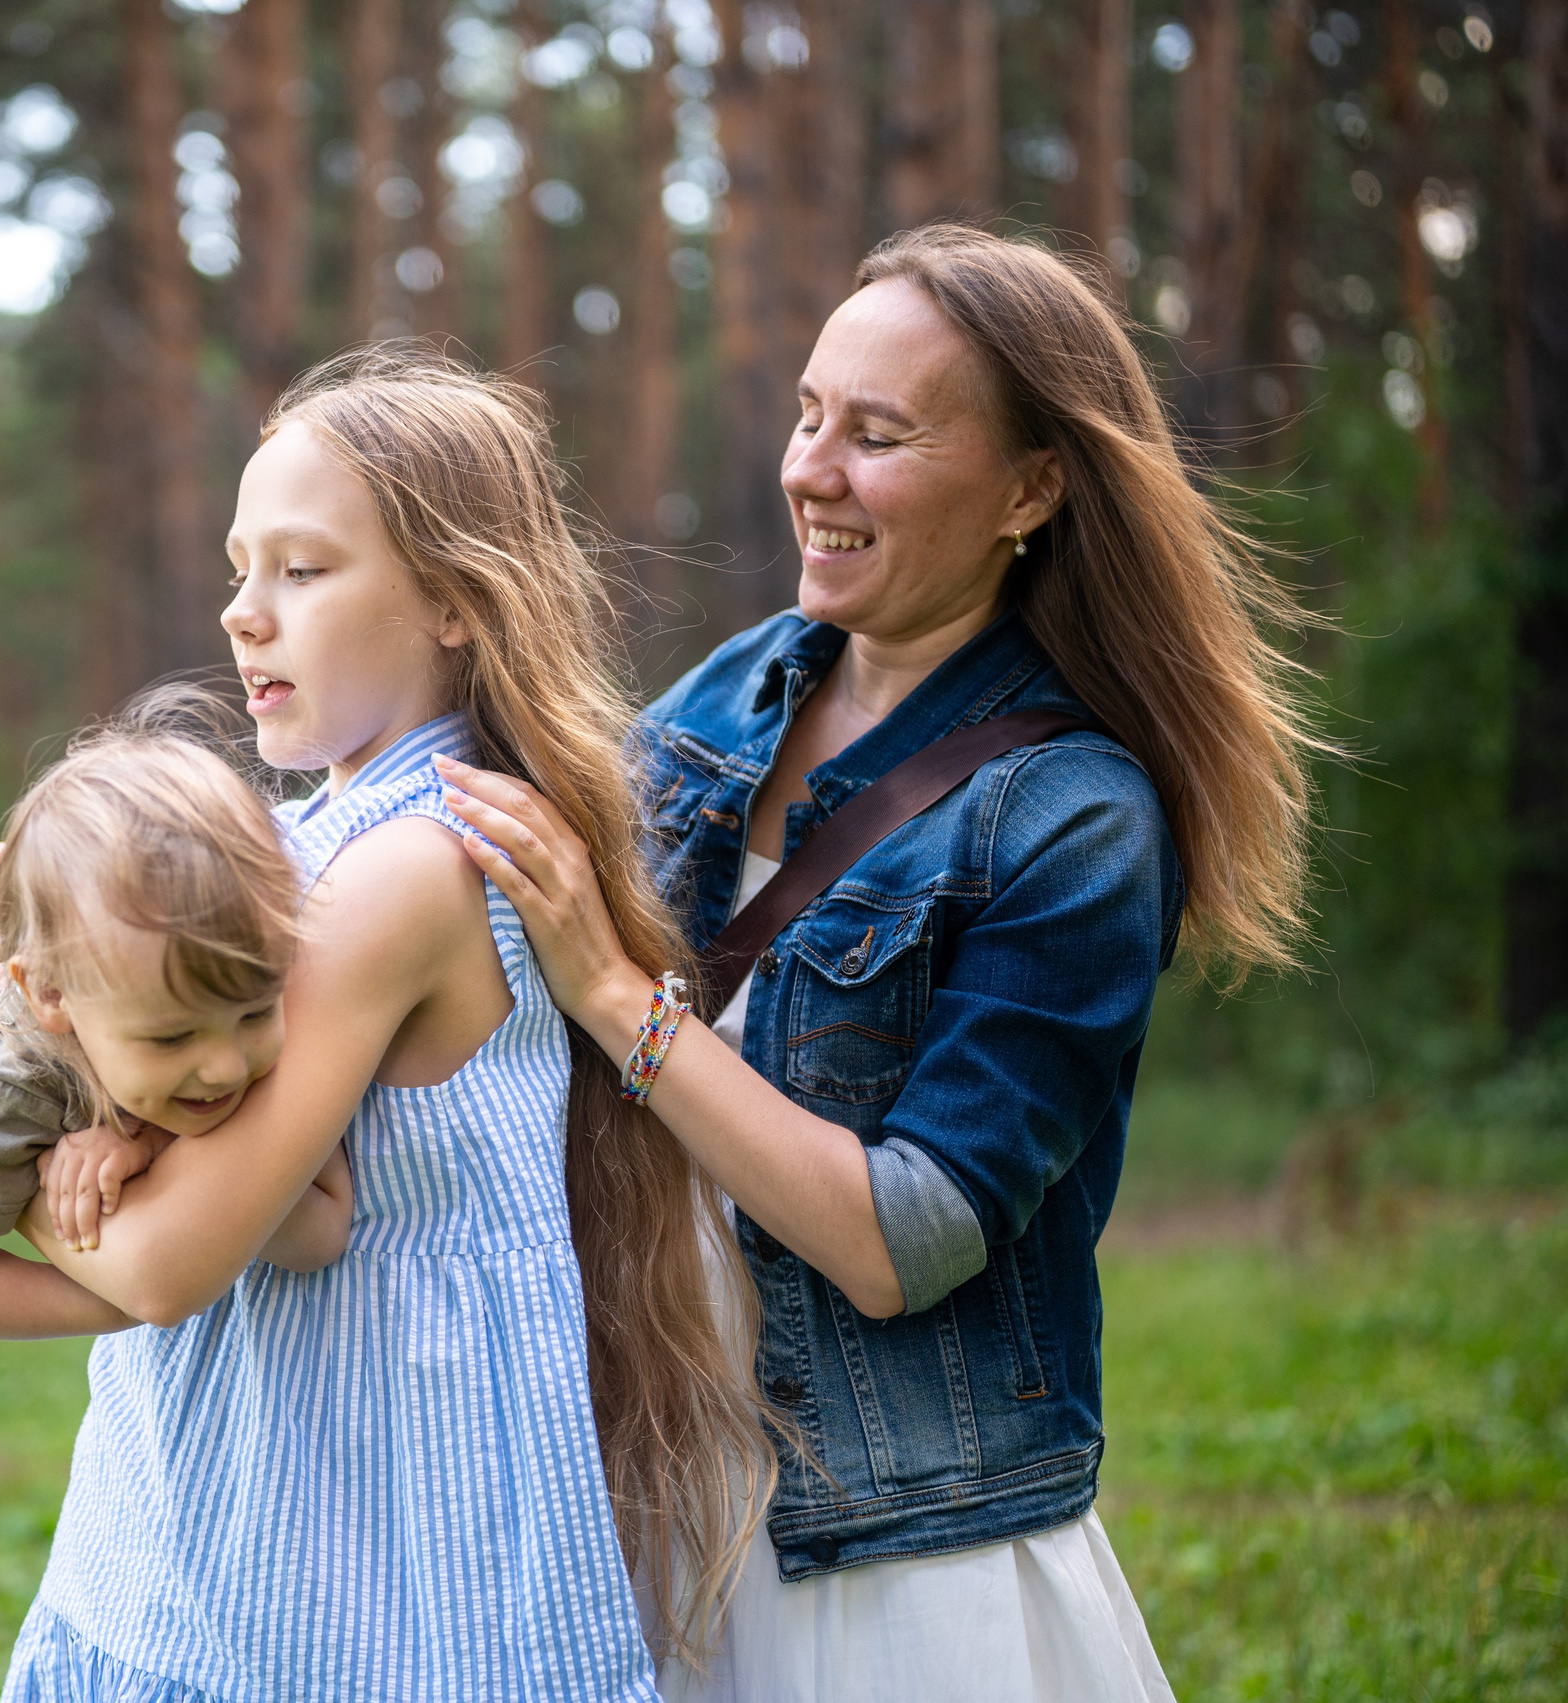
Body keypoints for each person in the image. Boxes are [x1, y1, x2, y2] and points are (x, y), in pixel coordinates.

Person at [438, 224, 1323, 1701]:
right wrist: (170, 892)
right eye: (807, 413)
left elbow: (901, 1237)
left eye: (880, 433)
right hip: (661, 1481)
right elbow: (475, 850)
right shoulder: (744, 683)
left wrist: (617, 1002)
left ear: (1032, 488)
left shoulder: (1075, 816)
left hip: (893, 1552)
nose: (811, 469)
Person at [0, 348, 777, 1700]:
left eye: (302, 571)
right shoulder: (298, 839)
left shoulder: (401, 872)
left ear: (453, 600)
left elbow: (161, 1269)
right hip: (221, 1536)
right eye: (237, 569)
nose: (244, 617)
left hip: (352, 1582)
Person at [0, 718, 353, 1339]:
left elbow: (322, 1229)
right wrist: (124, 1302)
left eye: (257, 1012)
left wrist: (145, 1143)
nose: (227, 1067)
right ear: (52, 995)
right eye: (173, 1037)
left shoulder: (232, 987)